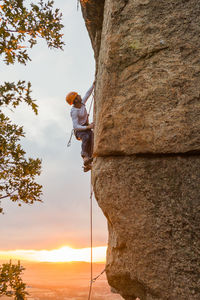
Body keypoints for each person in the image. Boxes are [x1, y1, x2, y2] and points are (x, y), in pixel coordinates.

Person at [66, 82, 95, 172]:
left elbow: (88, 93)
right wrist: (87, 127)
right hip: (79, 130)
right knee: (86, 137)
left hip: (87, 127)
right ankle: (85, 157)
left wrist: (94, 84)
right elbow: (75, 126)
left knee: (92, 138)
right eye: (77, 96)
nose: (80, 96)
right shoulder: (74, 111)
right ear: (75, 100)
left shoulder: (82, 103)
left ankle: (88, 164)